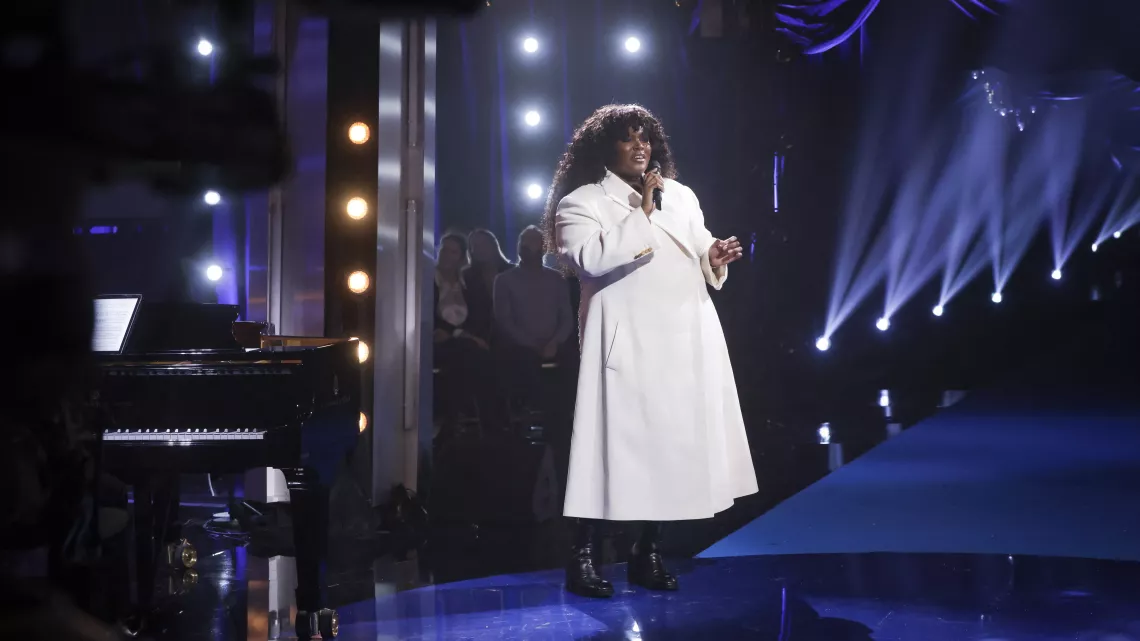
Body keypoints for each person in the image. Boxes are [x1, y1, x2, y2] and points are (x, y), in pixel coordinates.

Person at [541, 104, 758, 597]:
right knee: (609, 450)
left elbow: (699, 246)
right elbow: (590, 259)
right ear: (604, 148)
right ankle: (583, 556)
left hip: (683, 337)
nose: (640, 147)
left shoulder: (679, 195)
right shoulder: (582, 202)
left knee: (671, 446)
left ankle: (648, 550)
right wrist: (640, 212)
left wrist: (714, 256)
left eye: (645, 138)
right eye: (628, 138)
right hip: (628, 345)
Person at [493, 226, 574, 410]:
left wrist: (555, 342)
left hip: (555, 343)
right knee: (523, 364)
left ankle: (567, 417)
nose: (528, 247)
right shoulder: (504, 280)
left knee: (574, 362)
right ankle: (535, 412)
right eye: (524, 243)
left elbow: (566, 318)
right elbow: (504, 320)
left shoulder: (557, 280)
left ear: (543, 247)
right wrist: (531, 344)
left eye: (533, 242)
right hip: (519, 346)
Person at [433, 233, 494, 434]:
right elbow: (432, 319)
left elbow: (480, 315)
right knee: (471, 353)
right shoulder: (429, 280)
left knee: (474, 355)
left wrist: (470, 336)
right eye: (444, 249)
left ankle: (457, 417)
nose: (446, 255)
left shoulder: (468, 282)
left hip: (466, 343)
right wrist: (461, 335)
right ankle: (475, 417)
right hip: (436, 341)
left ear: (461, 257)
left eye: (453, 252)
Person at [461, 229, 512, 343]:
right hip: (478, 337)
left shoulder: (513, 272)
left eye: (484, 243)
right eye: (475, 245)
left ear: (494, 245)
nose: (480, 249)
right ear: (471, 250)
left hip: (513, 336)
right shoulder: (465, 276)